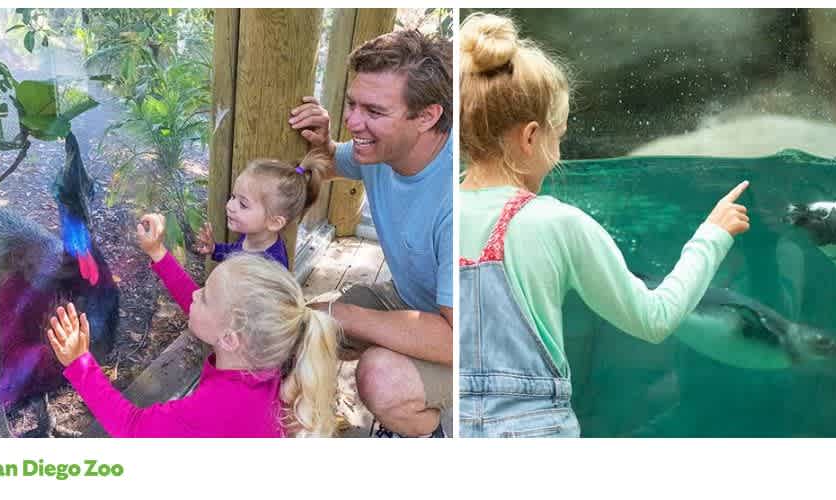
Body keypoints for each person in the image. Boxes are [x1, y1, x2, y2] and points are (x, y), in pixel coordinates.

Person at [457, 13, 752, 438]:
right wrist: (712, 235)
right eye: (558, 135)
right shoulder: (558, 223)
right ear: (530, 137)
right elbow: (655, 318)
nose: (558, 151)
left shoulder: (448, 211)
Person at [288, 28, 453, 437]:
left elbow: (455, 339)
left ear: (428, 115)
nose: (353, 122)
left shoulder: (458, 199)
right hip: (414, 301)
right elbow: (330, 162)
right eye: (351, 104)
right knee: (302, 333)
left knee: (381, 377)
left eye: (373, 112)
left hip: (476, 345)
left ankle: (425, 435)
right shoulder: (381, 150)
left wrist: (340, 312)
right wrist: (324, 141)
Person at [45, 214, 340, 437]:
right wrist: (159, 254)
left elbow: (131, 427)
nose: (196, 294)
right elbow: (204, 312)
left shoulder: (211, 410)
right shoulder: (269, 365)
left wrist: (80, 364)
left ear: (230, 338)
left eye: (206, 295)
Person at [194, 151, 329, 268]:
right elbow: (236, 253)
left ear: (274, 222)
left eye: (243, 204)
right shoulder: (251, 236)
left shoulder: (272, 266)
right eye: (233, 197)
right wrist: (214, 249)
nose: (229, 205)